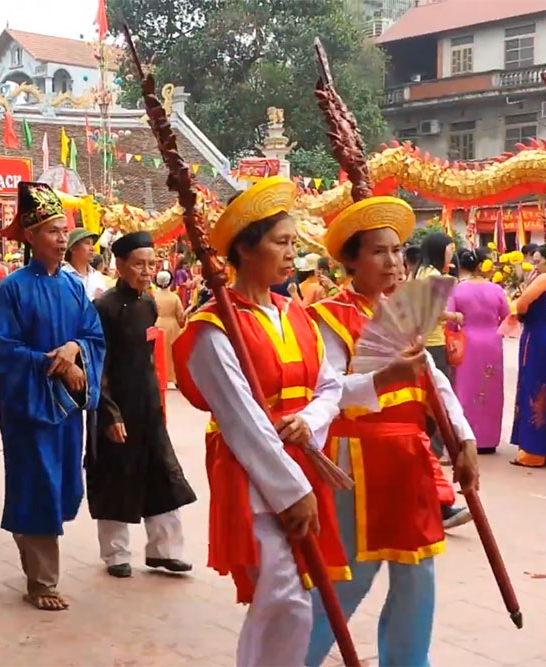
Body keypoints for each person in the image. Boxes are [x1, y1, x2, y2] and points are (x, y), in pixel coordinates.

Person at [171, 179, 352, 666]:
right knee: (279, 594)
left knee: (298, 596)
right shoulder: (213, 327)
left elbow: (330, 386)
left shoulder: (299, 314)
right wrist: (292, 490)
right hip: (252, 473)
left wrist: (309, 419)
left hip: (304, 460)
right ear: (246, 249)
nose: (293, 253)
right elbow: (240, 418)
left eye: (295, 242)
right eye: (282, 242)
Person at [306, 197, 480, 665]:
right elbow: (328, 393)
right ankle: (297, 656)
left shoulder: (404, 310)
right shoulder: (326, 317)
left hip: (410, 457)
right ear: (350, 260)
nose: (393, 262)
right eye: (379, 252)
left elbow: (434, 380)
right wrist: (382, 380)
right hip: (355, 459)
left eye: (398, 250)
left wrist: (463, 439)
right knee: (347, 576)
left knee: (417, 573)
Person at [0, 182, 106, 611]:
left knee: (60, 485)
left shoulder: (74, 286)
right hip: (29, 407)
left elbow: (92, 334)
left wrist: (75, 350)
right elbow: (5, 352)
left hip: (64, 407)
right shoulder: (12, 288)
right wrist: (51, 361)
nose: (63, 239)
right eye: (53, 231)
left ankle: (36, 556)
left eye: (64, 230)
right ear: (29, 236)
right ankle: (41, 581)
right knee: (37, 485)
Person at [88, 231, 196, 578]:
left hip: (148, 407)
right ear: (119, 265)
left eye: (151, 264)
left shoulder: (149, 303)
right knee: (116, 477)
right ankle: (116, 553)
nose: (147, 271)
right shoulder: (102, 308)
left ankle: (164, 550)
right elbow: (96, 364)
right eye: (139, 264)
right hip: (116, 407)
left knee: (162, 475)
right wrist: (108, 412)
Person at [447, 248, 509, 454]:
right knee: (491, 389)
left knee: (466, 388)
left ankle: (467, 437)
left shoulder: (457, 289)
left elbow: (450, 322)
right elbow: (507, 316)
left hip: (467, 342)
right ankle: (489, 439)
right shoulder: (497, 290)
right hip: (492, 341)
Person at [510, 249, 546, 467]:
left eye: (538, 258)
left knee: (534, 387)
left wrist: (519, 306)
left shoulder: (545, 278)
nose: (535, 262)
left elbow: (522, 305)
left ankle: (533, 451)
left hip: (537, 338)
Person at [411, 232, 457, 458]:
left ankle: (426, 446)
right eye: (449, 249)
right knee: (438, 397)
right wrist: (454, 316)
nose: (452, 253)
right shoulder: (435, 275)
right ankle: (436, 450)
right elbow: (435, 310)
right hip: (433, 341)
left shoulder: (419, 272)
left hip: (419, 338)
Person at [153, 269, 186, 386]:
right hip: (172, 326)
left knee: (158, 352)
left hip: (157, 325)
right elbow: (180, 316)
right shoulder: (174, 297)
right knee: (172, 353)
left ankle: (158, 377)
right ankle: (173, 377)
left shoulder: (153, 297)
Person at [62, 228, 107, 301]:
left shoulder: (96, 276)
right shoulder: (63, 276)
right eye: (87, 243)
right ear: (73, 249)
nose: (92, 248)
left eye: (92, 244)